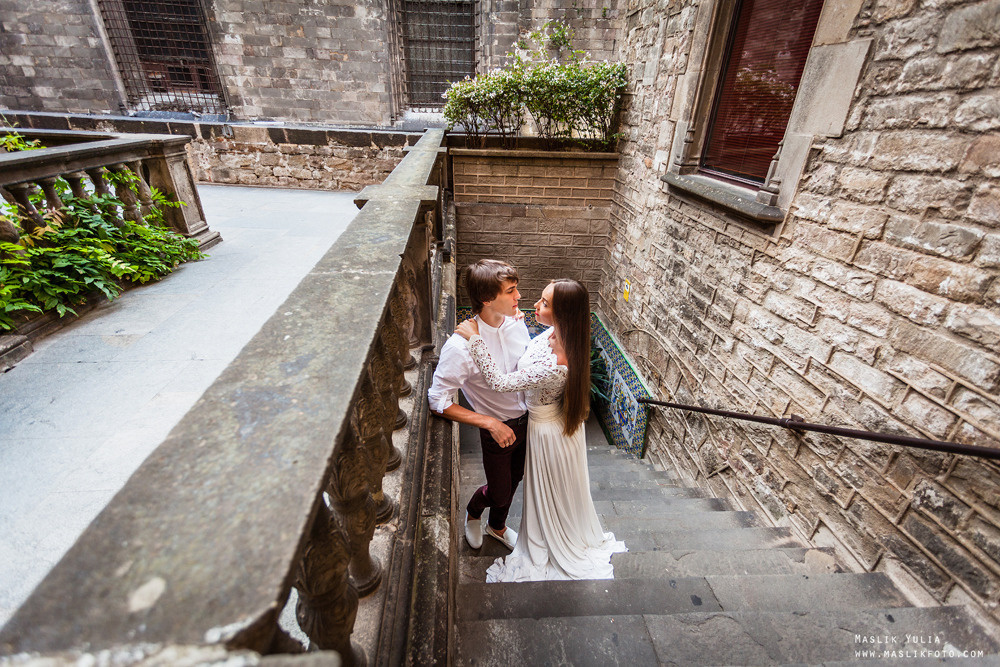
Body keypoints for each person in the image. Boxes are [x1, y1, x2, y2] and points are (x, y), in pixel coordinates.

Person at [455, 279, 626, 581]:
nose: (534, 304)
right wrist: (517, 323)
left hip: (546, 432)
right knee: (515, 483)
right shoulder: (557, 332)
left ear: (562, 315)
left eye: (544, 303)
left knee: (546, 492)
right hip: (537, 420)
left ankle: (533, 533)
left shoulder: (557, 363)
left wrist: (475, 339)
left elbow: (500, 383)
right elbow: (529, 352)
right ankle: (492, 522)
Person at [428, 259, 530, 551]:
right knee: (498, 492)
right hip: (497, 430)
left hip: (529, 422)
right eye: (510, 291)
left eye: (516, 288)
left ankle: (497, 527)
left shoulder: (517, 323)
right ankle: (474, 512)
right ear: (487, 299)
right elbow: (437, 400)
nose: (519, 296)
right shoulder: (460, 347)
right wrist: (489, 422)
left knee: (517, 478)